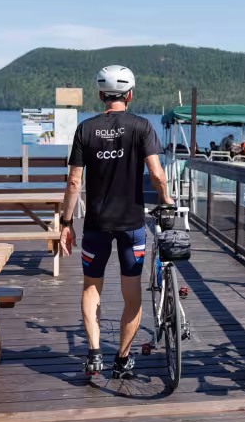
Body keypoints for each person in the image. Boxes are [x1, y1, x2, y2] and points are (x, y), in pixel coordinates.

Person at [59, 65, 173, 379]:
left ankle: (94, 353)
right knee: (131, 291)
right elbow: (157, 175)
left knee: (91, 286)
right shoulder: (142, 126)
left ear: (100, 95)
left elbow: (73, 182)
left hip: (96, 222)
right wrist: (167, 202)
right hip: (131, 223)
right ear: (130, 95)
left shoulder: (86, 129)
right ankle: (122, 359)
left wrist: (65, 223)